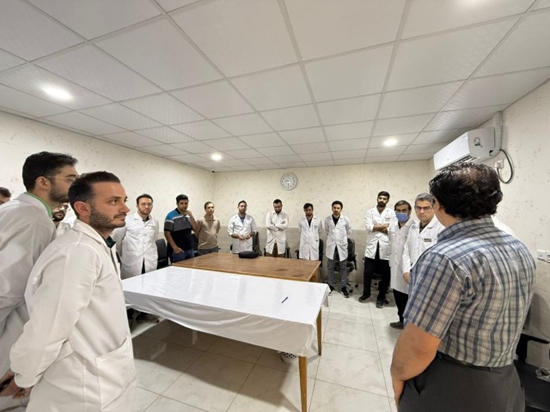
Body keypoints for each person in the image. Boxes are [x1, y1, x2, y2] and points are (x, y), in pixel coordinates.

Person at [391, 163, 535, 412]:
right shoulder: (519, 248)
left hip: (454, 385)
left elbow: (418, 346)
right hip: (505, 381)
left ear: (437, 204)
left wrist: (397, 380)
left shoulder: (445, 258)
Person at [1, 171, 136, 412]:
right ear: (83, 208)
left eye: (124, 200)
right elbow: (48, 327)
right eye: (113, 201)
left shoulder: (98, 245)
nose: (125, 208)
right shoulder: (76, 253)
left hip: (103, 366)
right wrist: (23, 374)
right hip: (79, 384)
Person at [0, 151, 77, 411]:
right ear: (43, 182)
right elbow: (8, 289)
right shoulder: (33, 219)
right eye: (70, 179)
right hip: (9, 328)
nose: (75, 185)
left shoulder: (16, 210)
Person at [360, 191, 396, 308]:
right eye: (380, 198)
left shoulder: (392, 213)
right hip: (372, 248)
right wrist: (384, 225)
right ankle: (366, 294)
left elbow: (391, 230)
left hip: (385, 249)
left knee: (385, 276)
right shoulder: (370, 212)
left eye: (384, 198)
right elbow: (369, 227)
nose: (382, 200)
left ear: (387, 200)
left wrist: (376, 227)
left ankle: (381, 297)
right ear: (377, 199)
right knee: (367, 273)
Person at [113, 194, 159, 278]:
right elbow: (117, 240)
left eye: (149, 204)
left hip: (149, 260)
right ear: (137, 206)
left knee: (149, 282)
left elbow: (154, 238)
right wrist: (122, 254)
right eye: (143, 204)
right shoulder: (127, 220)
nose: (147, 206)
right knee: (131, 284)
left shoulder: (155, 222)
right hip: (132, 261)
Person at [402, 193, 444, 285]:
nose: (421, 212)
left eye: (426, 208)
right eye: (418, 208)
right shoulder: (413, 228)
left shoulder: (441, 229)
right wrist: (406, 271)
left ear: (434, 208)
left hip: (430, 278)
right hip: (411, 275)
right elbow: (406, 251)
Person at [388, 200, 415, 329]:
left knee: (407, 296)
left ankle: (408, 324)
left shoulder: (414, 227)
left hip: (407, 268)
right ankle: (401, 320)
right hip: (395, 264)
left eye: (404, 210)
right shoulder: (393, 225)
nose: (401, 213)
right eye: (398, 211)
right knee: (397, 294)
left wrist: (407, 269)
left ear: (409, 211)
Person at [325, 201, 352, 297]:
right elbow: (327, 231)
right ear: (332, 208)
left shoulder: (346, 220)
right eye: (334, 208)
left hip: (341, 246)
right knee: (330, 266)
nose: (336, 210)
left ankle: (343, 287)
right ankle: (331, 285)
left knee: (343, 267)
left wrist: (341, 239)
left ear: (341, 209)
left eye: (338, 208)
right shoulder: (327, 220)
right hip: (331, 246)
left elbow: (349, 231)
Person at [164, 194, 198, 263]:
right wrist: (175, 248)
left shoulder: (188, 215)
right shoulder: (171, 216)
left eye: (186, 203)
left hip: (189, 249)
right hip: (178, 251)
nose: (184, 205)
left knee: (190, 269)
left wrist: (191, 216)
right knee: (178, 269)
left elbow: (195, 229)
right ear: (177, 204)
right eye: (181, 203)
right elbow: (167, 233)